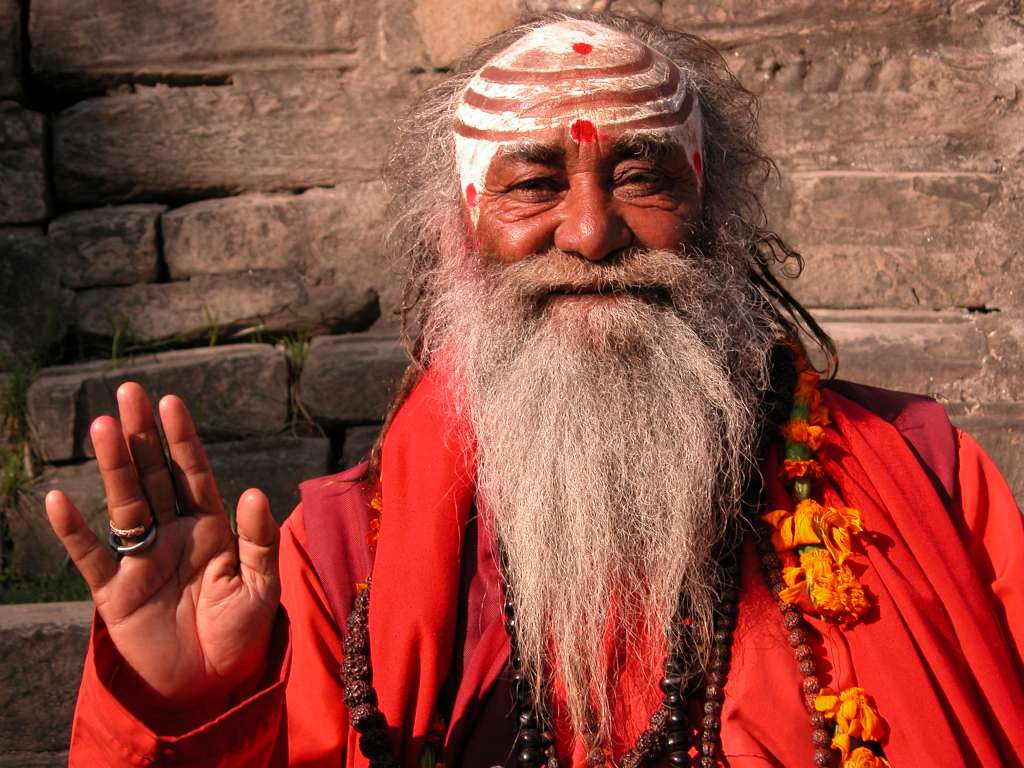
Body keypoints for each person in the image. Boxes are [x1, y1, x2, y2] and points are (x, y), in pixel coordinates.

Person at [46, 12, 1023, 768]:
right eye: (531, 184)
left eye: (639, 175)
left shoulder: (926, 478)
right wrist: (186, 709)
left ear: (713, 215)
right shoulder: (336, 557)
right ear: (458, 236)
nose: (591, 234)